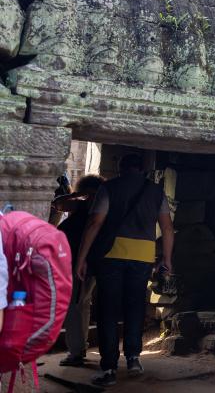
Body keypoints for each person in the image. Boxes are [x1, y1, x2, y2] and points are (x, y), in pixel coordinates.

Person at [75, 155, 174, 387]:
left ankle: (109, 367)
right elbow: (167, 228)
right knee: (135, 306)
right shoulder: (156, 192)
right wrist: (167, 259)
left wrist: (81, 258)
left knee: (108, 309)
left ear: (121, 168)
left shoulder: (109, 188)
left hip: (112, 254)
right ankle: (133, 359)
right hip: (143, 256)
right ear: (143, 169)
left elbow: (95, 223)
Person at [56, 174, 105, 367]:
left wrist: (81, 195)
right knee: (81, 304)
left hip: (81, 260)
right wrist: (78, 195)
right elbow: (58, 203)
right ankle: (79, 348)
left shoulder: (96, 208)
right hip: (82, 259)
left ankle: (76, 352)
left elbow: (59, 204)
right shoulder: (82, 205)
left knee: (75, 305)